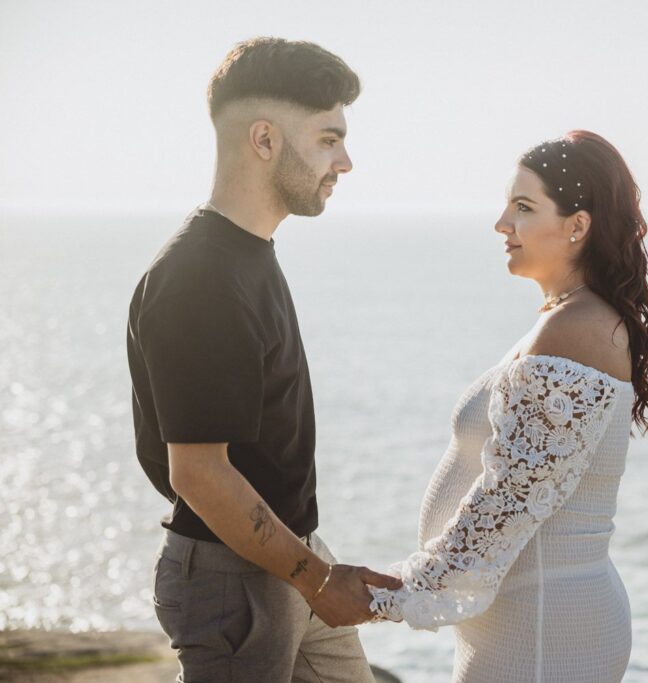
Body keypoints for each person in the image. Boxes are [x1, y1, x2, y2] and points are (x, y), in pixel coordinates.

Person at [126, 37, 401, 683]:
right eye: (329, 138)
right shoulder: (200, 278)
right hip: (234, 581)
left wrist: (310, 565)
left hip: (288, 558)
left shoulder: (249, 253)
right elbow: (196, 472)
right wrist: (315, 577)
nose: (346, 161)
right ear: (264, 140)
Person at [367, 130, 648, 682]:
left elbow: (507, 502)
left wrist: (386, 598)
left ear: (578, 225)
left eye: (523, 208)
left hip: (544, 634)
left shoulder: (574, 328)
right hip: (530, 623)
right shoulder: (566, 319)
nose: (502, 224)